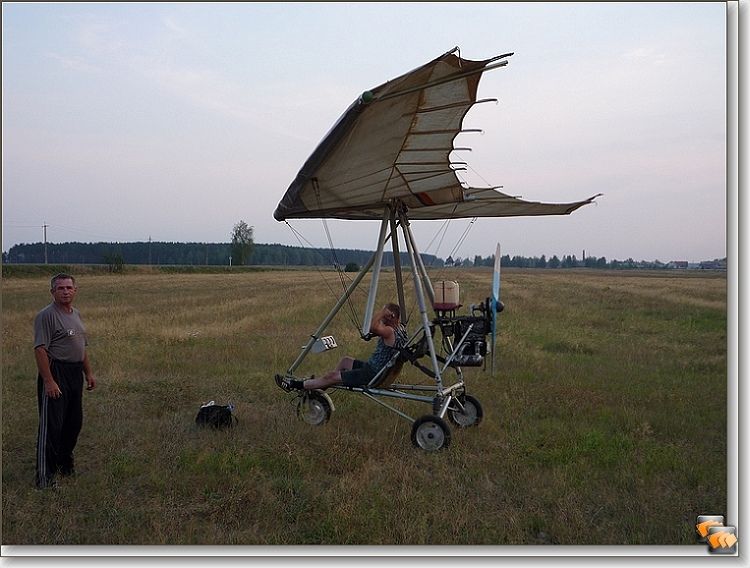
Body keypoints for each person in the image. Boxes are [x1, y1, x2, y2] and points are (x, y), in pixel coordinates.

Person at [33, 273, 96, 489]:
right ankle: (45, 477)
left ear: (75, 290)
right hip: (56, 371)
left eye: (69, 287)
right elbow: (40, 349)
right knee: (52, 425)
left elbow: (81, 347)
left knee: (73, 423)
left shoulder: (76, 314)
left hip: (74, 373)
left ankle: (64, 464)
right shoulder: (46, 316)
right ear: (52, 292)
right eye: (60, 288)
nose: (65, 291)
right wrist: (49, 381)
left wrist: (88, 373)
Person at [276, 303, 407, 391]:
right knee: (345, 361)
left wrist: (382, 312)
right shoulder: (400, 329)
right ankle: (324, 384)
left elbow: (373, 327)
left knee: (332, 376)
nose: (382, 317)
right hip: (375, 369)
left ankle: (294, 385)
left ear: (391, 316)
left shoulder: (389, 331)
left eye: (385, 315)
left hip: (372, 374)